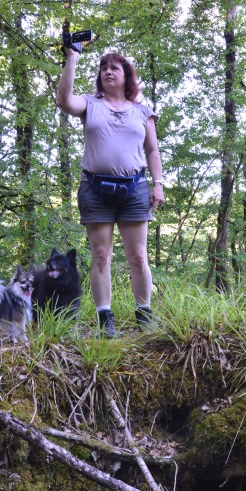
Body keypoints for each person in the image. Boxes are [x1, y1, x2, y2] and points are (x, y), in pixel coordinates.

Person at [56, 47, 164, 337]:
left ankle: (144, 315)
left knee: (138, 257)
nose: (108, 71)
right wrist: (72, 58)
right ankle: (106, 318)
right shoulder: (90, 104)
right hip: (95, 189)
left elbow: (152, 150)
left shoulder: (143, 110)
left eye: (115, 67)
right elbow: (64, 100)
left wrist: (158, 183)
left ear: (127, 75)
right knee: (101, 255)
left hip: (134, 189)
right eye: (104, 68)